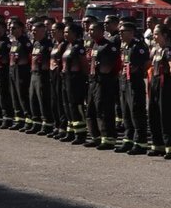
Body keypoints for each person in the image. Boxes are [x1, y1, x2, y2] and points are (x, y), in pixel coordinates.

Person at [146, 24, 171, 159]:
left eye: (156, 34)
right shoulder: (156, 50)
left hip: (165, 85)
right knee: (154, 114)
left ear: (165, 35)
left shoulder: (168, 50)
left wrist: (166, 77)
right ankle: (158, 146)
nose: (154, 37)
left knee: (167, 116)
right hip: (155, 84)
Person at [118, 20, 152, 155]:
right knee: (126, 113)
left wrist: (139, 72)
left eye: (123, 31)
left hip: (134, 83)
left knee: (136, 113)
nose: (120, 34)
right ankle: (128, 140)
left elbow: (145, 64)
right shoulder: (125, 46)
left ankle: (140, 143)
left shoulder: (139, 46)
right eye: (119, 31)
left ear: (131, 33)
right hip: (124, 82)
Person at [88, 21, 121, 149]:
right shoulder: (94, 45)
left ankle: (108, 139)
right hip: (93, 81)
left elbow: (114, 65)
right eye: (89, 30)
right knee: (91, 110)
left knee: (104, 110)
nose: (90, 32)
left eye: (93, 30)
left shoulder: (108, 46)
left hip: (104, 82)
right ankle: (96, 137)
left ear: (101, 31)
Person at [63, 22, 90, 145]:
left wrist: (84, 78)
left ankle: (80, 133)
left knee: (76, 106)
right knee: (68, 105)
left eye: (67, 32)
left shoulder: (79, 47)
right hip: (66, 78)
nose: (65, 34)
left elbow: (84, 65)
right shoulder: (68, 46)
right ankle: (71, 131)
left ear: (74, 33)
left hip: (76, 79)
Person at [28, 20, 54, 137]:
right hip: (34, 74)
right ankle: (36, 123)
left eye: (35, 31)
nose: (33, 33)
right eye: (32, 31)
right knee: (33, 99)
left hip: (43, 75)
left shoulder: (48, 45)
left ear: (43, 31)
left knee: (43, 100)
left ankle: (47, 124)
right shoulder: (36, 44)